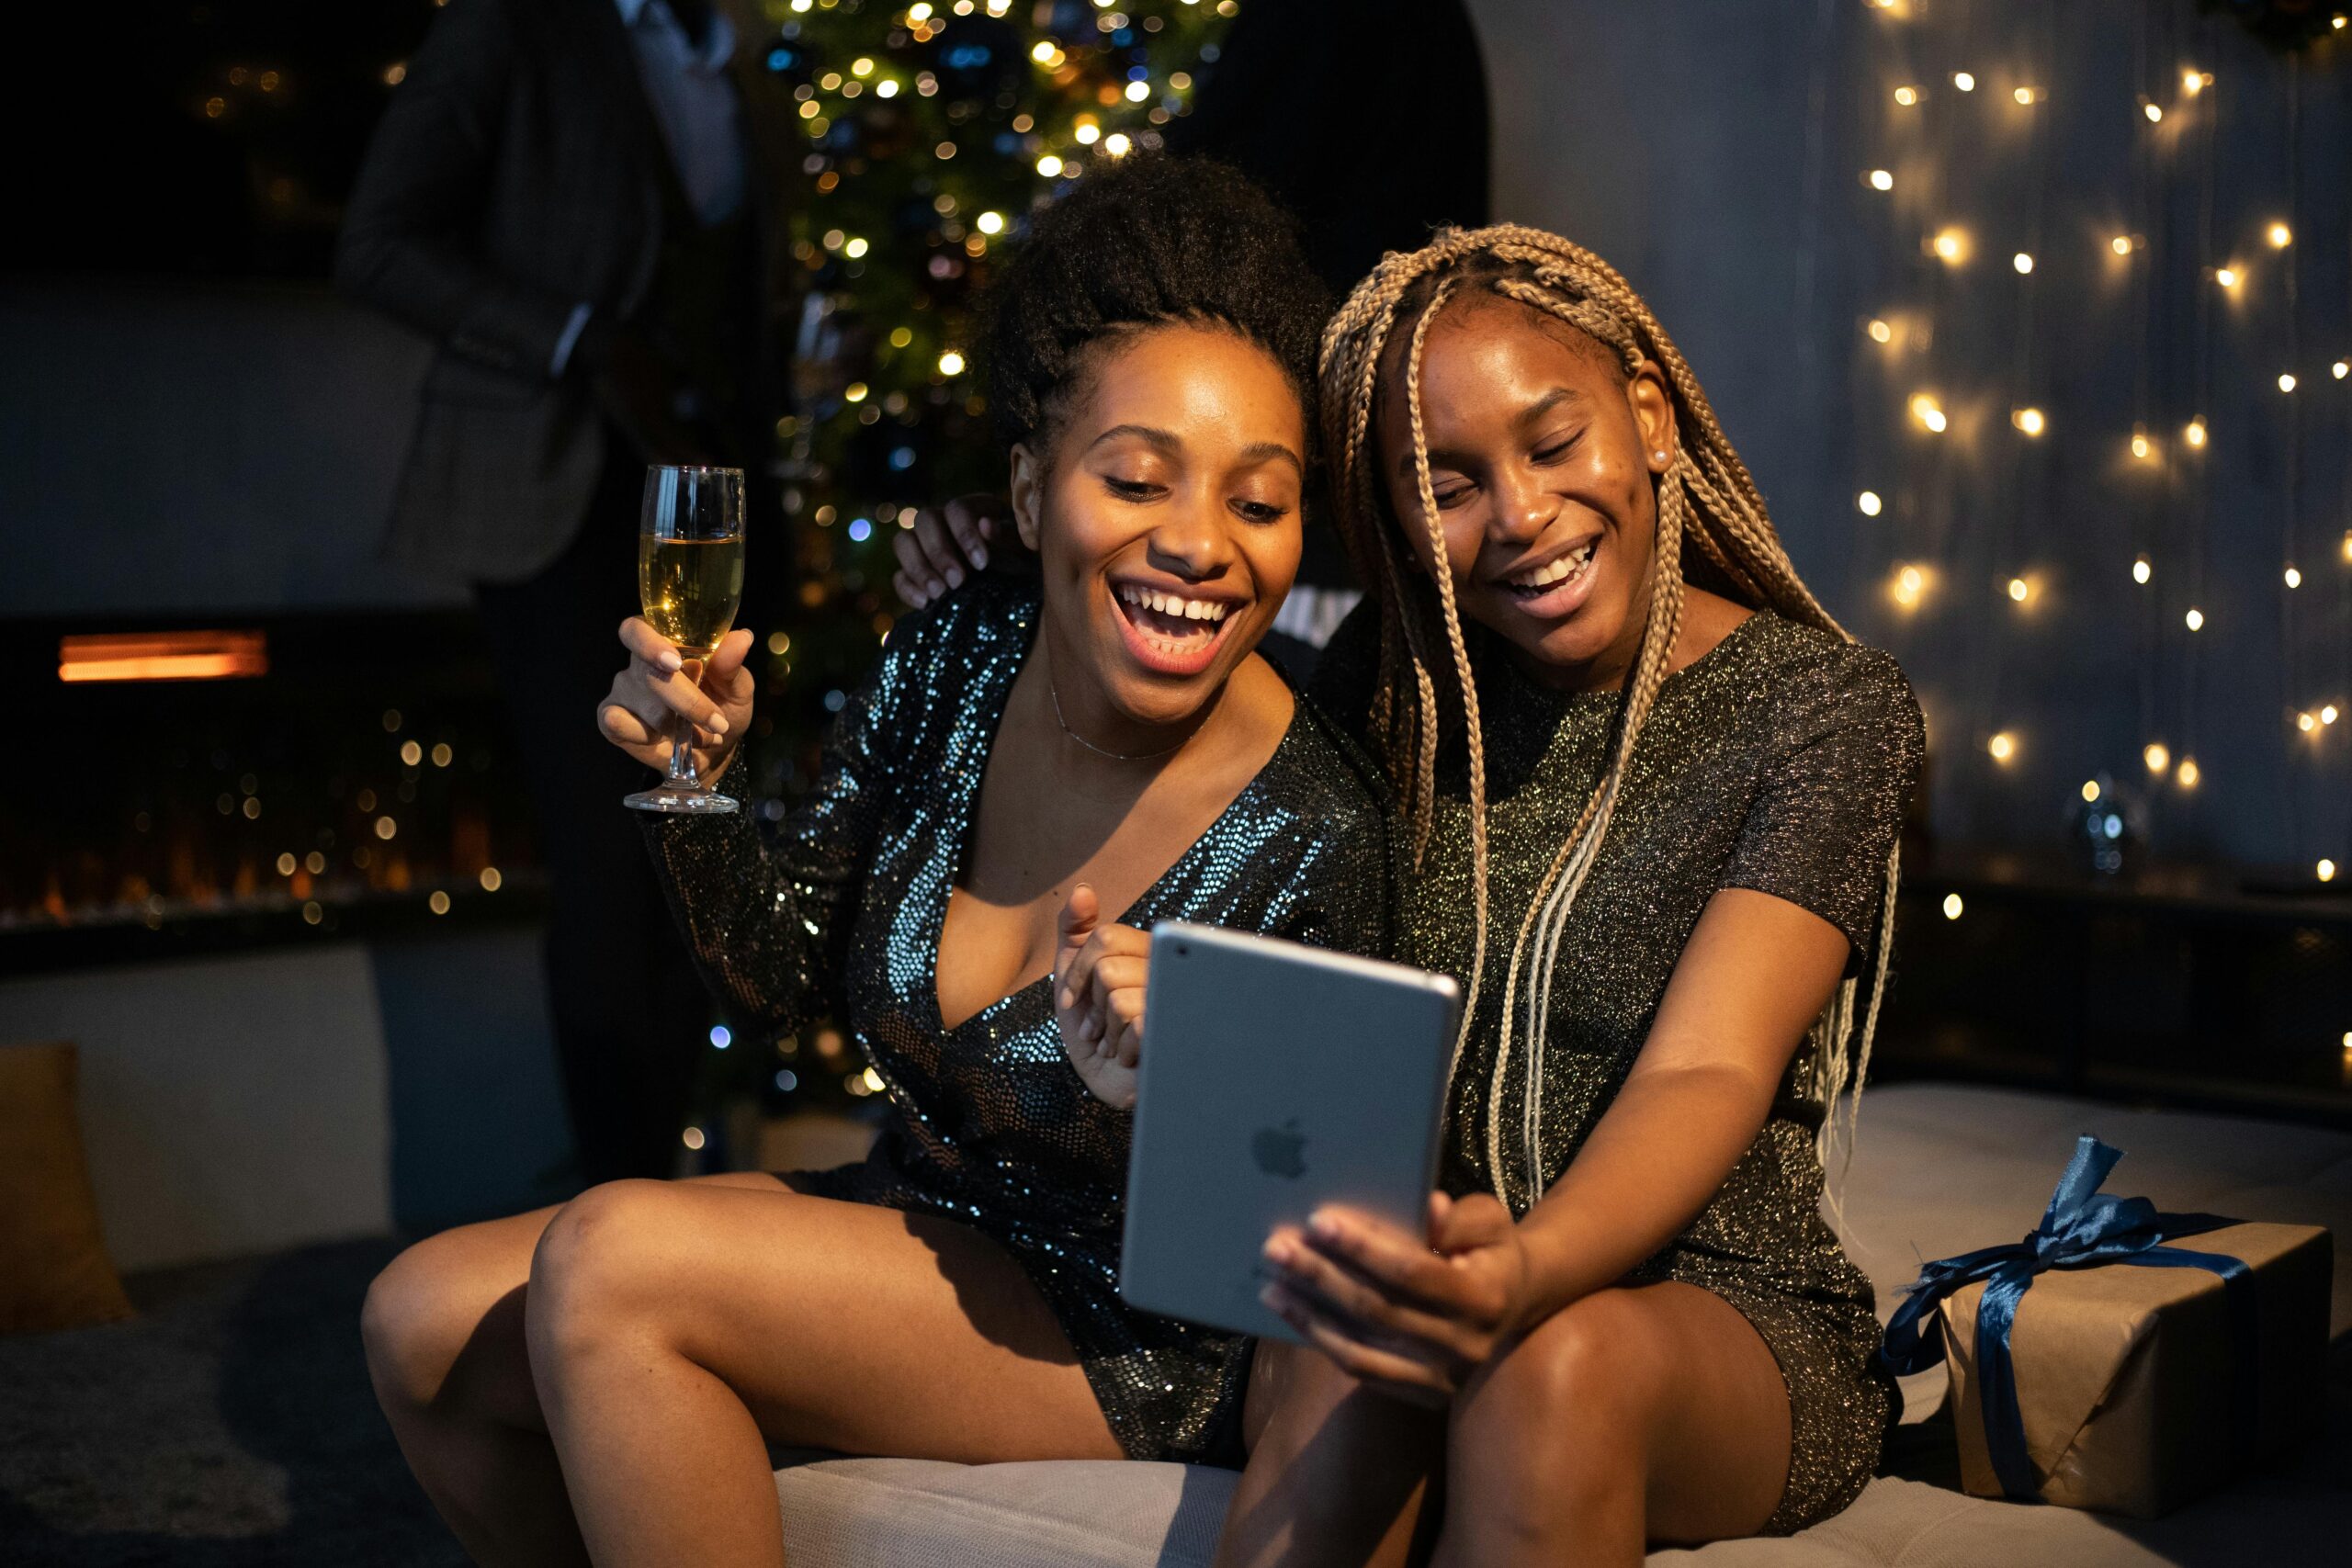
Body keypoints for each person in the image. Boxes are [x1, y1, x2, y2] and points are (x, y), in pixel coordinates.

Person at [357, 156, 1388, 1568]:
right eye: (1138, 479)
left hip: (1133, 1335)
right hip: (921, 1210)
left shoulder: (1319, 821)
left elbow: (1299, 1238)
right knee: (419, 1319)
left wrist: (1176, 1084)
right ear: (1030, 490)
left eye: (1260, 504)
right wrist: (697, 782)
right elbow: (780, 977)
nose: (1202, 545)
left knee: (612, 1262)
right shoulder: (956, 654)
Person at [951, 224, 1925, 1564]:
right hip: (1405, 1270)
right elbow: (1171, 665)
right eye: (1447, 484)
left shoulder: (1823, 709)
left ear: (1649, 418)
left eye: (1553, 442)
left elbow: (1708, 1069)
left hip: (1714, 1307)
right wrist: (997, 584)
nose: (1519, 514)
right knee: (1351, 1336)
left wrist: (1519, 1273)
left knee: (1548, 1373)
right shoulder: (1394, 680)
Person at [335, 0, 795, 1183]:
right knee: (606, 857)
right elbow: (376, 244)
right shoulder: (513, 26)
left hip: (710, 507)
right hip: (556, 506)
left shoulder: (740, 53)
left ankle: (668, 1186)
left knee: (694, 842)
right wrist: (582, 336)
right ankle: (616, 1193)